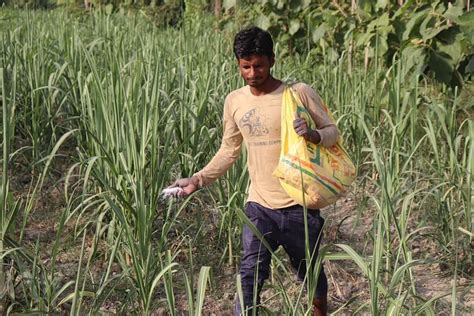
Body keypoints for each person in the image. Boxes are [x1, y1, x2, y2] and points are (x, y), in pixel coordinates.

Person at [169, 26, 339, 315]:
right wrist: (197, 180)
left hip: (299, 205)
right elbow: (229, 150)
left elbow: (333, 132)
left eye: (258, 65)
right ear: (238, 64)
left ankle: (320, 310)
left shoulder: (297, 94)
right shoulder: (235, 101)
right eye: (245, 67)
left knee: (310, 276)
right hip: (259, 207)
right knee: (248, 276)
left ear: (272, 60)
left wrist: (312, 135)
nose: (252, 73)